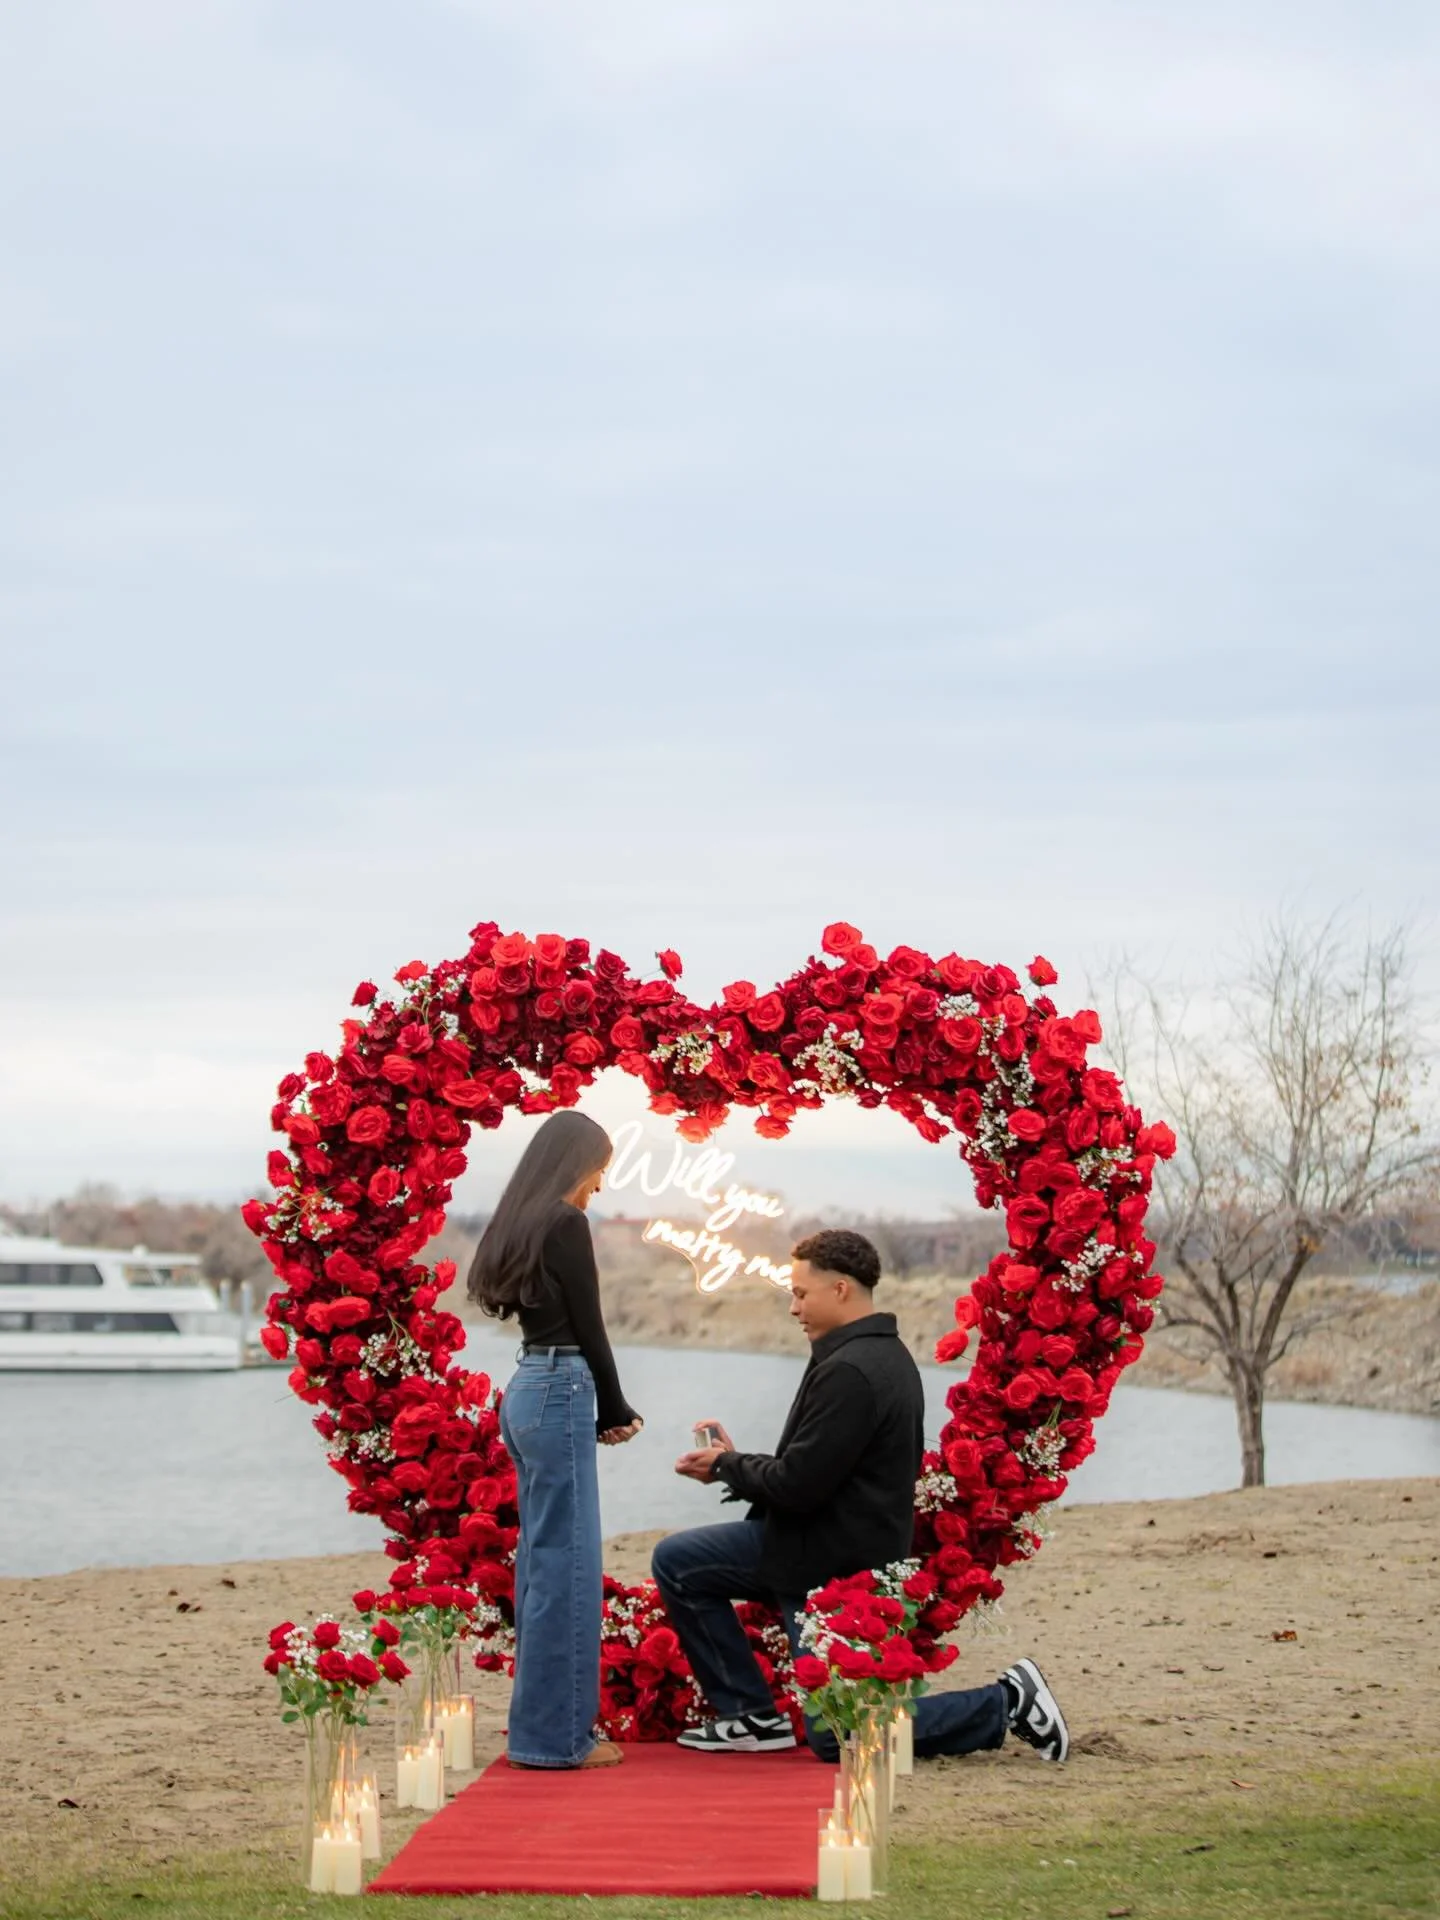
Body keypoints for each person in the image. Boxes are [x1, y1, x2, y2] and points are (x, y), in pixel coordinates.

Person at [650, 1228, 1068, 1764]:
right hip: (824, 1545)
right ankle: (750, 1716)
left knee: (842, 1736)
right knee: (681, 1562)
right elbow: (813, 1466)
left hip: (830, 1562)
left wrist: (728, 1465)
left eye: (801, 1293)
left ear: (841, 1289)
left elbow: (797, 1485)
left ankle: (1007, 1702)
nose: (794, 1307)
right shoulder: (876, 1353)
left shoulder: (851, 1369)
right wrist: (734, 1465)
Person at [468, 1109, 642, 1770]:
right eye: (599, 1169)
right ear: (577, 1161)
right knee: (568, 1570)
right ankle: (558, 1739)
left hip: (524, 1389)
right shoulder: (566, 1223)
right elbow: (590, 1324)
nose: (599, 1185)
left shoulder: (520, 1219)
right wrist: (615, 1405)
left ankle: (535, 1732)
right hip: (563, 1386)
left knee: (541, 1565)